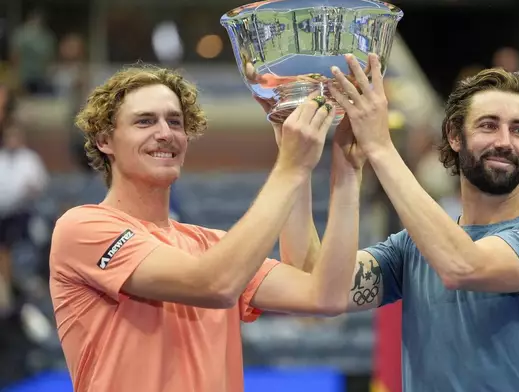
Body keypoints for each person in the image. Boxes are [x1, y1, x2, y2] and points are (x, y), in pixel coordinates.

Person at [48, 65, 366, 391]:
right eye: (145, 121)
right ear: (105, 141)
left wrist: (347, 173)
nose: (165, 133)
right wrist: (290, 167)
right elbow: (214, 284)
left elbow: (323, 295)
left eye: (175, 121)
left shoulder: (212, 246)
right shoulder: (82, 228)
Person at [322, 54, 519, 391]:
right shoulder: (412, 247)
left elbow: (462, 265)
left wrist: (381, 147)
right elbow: (325, 293)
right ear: (454, 135)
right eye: (488, 125)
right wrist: (310, 168)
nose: (504, 142)